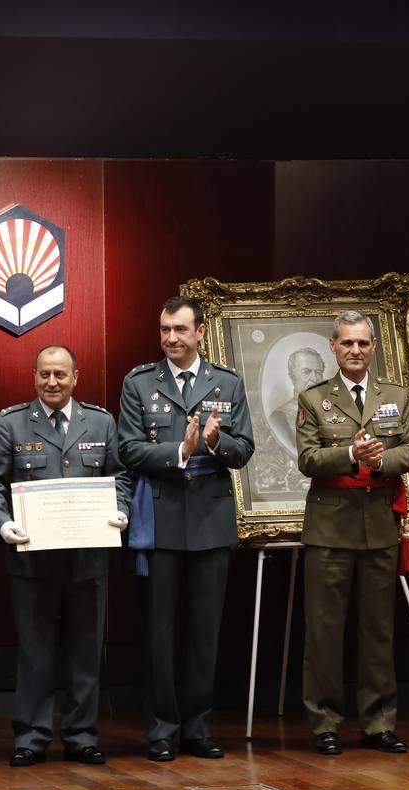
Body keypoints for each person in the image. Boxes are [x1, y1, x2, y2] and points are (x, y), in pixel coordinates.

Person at [0, 345, 132, 766]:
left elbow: (119, 476)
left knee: (85, 653)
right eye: (44, 374)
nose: (52, 382)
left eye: (60, 375)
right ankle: (31, 735)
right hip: (32, 560)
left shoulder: (100, 421)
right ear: (34, 376)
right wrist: (0, 521)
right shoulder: (10, 424)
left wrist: (121, 509)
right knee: (35, 653)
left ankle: (82, 735)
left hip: (88, 560)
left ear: (75, 377)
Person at [118, 296, 254, 762]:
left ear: (200, 332)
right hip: (159, 520)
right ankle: (160, 729)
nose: (171, 338)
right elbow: (128, 450)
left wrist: (215, 443)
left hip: (210, 522)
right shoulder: (139, 383)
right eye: (164, 330)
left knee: (204, 633)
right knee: (158, 633)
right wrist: (179, 451)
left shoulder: (227, 382)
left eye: (180, 330)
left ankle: (197, 727)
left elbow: (244, 449)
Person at [295, 310, 409, 755]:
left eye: (363, 343)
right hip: (330, 526)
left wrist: (379, 459)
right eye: (347, 343)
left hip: (379, 525)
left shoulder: (396, 396)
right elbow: (308, 459)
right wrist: (350, 452)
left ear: (373, 347)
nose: (355, 351)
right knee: (325, 631)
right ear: (333, 346)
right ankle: (325, 723)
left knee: (378, 630)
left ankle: (379, 722)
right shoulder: (314, 398)